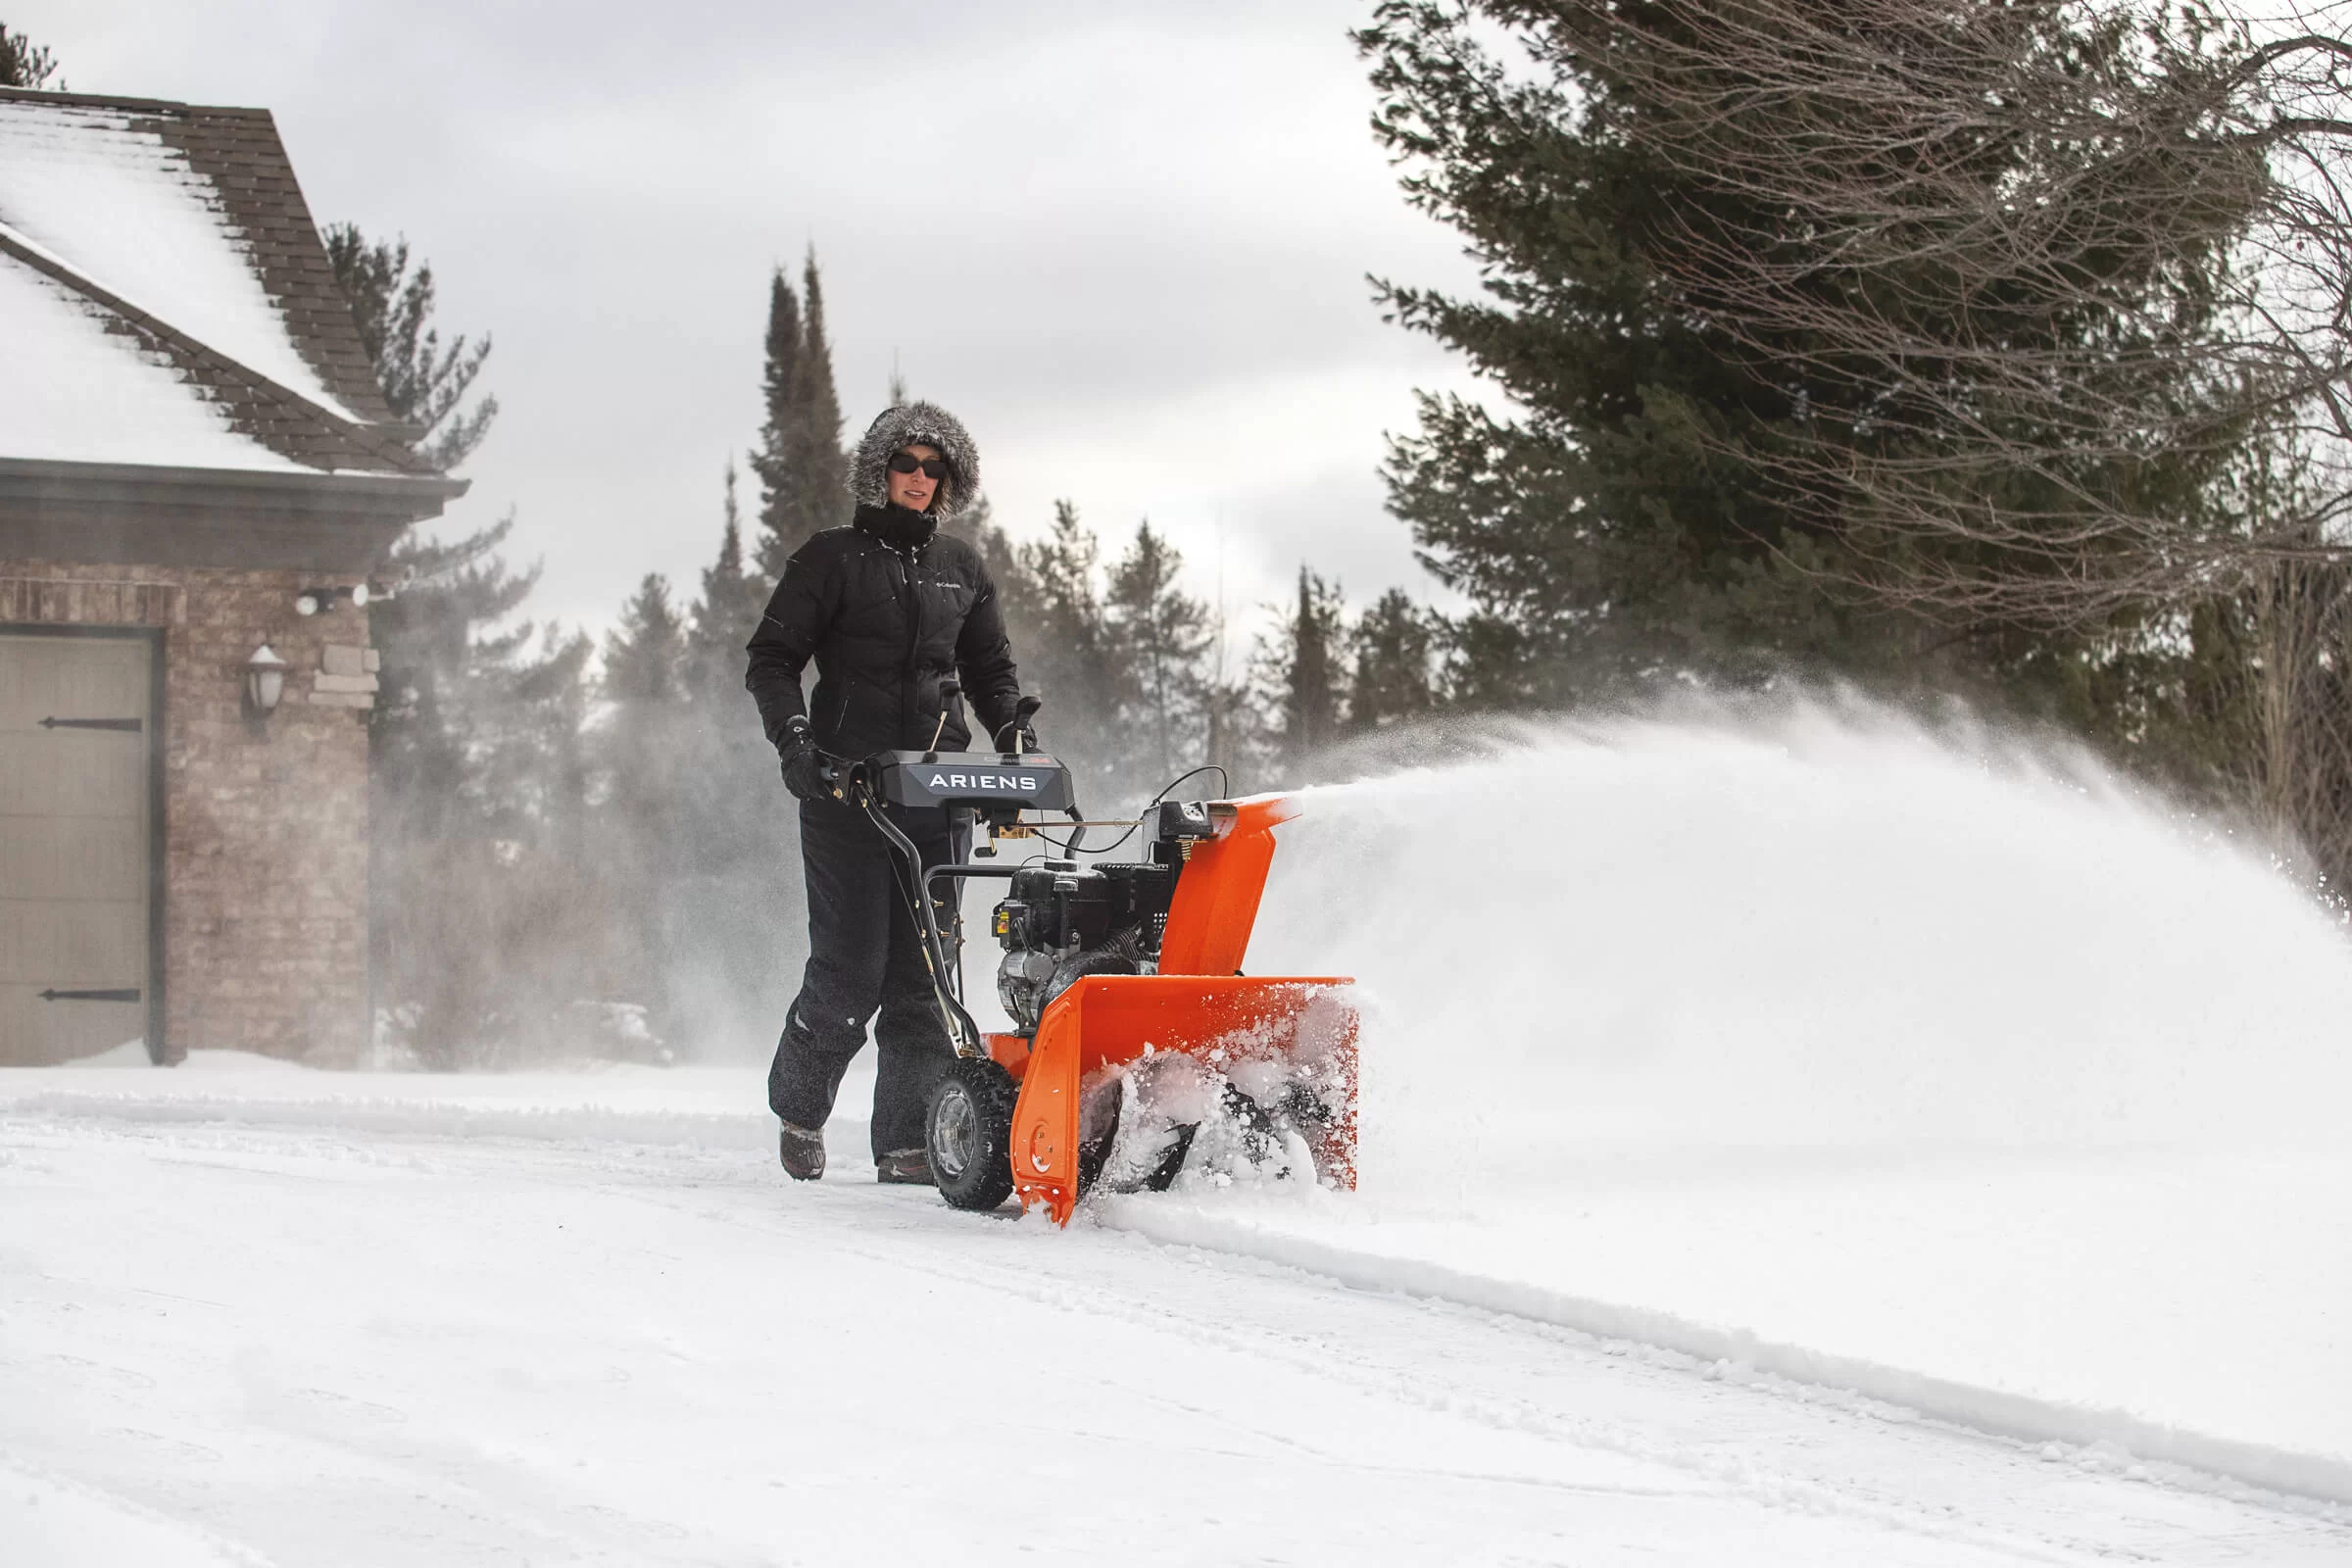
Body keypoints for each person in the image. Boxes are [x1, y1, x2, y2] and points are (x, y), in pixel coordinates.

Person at [745, 402, 1026, 1184]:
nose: (919, 477)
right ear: (880, 471)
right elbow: (772, 659)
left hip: (935, 793)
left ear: (950, 481)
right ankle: (800, 1109)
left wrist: (1011, 731)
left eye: (935, 468)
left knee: (925, 976)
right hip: (845, 791)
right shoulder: (829, 559)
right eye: (906, 463)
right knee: (850, 971)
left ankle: (905, 1146)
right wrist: (797, 744)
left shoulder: (962, 569)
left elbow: (991, 672)